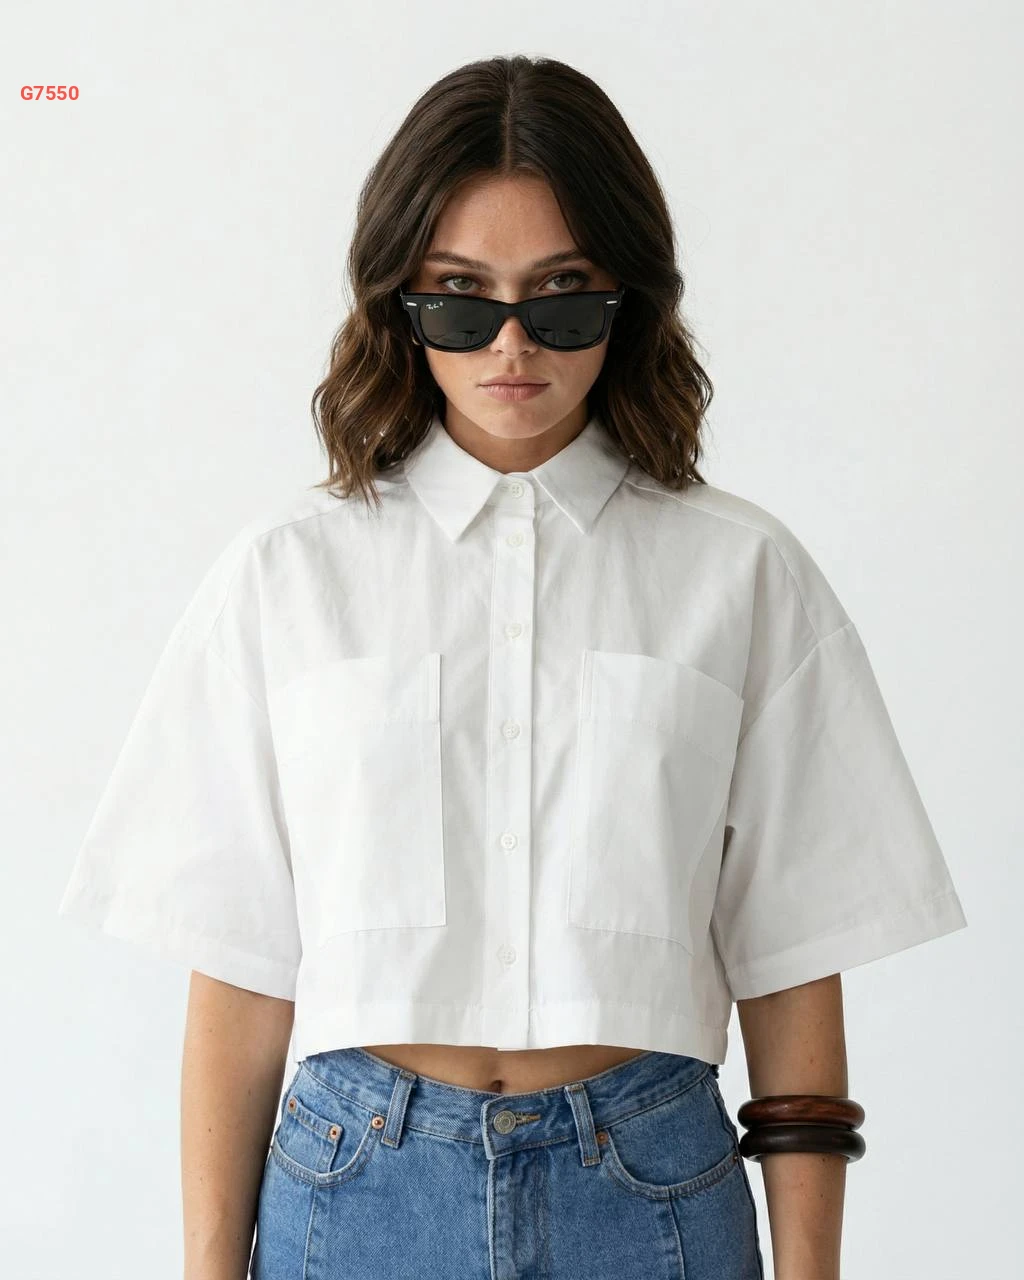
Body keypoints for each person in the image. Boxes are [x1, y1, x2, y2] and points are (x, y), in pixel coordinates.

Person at [57, 55, 967, 1280]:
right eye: (460, 297)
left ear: (627, 296)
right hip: (355, 1191)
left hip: (648, 1189)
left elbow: (795, 960)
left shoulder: (741, 573)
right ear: (399, 302)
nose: (511, 343)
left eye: (561, 296)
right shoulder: (288, 575)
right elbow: (240, 971)